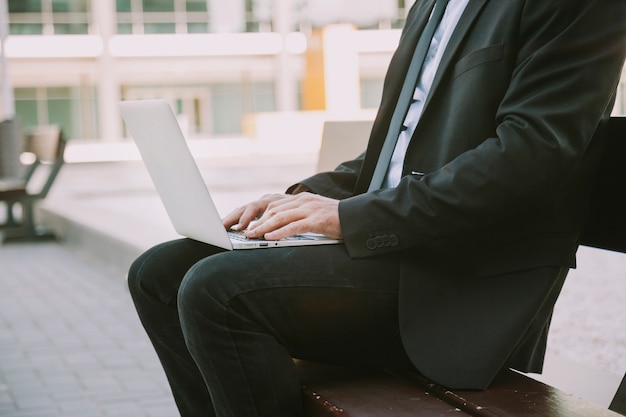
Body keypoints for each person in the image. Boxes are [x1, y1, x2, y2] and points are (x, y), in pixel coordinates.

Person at [127, 0, 626, 416]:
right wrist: (302, 198)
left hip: (462, 277)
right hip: (405, 250)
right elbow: (395, 153)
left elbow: (531, 154)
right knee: (159, 272)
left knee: (218, 291)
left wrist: (353, 219)